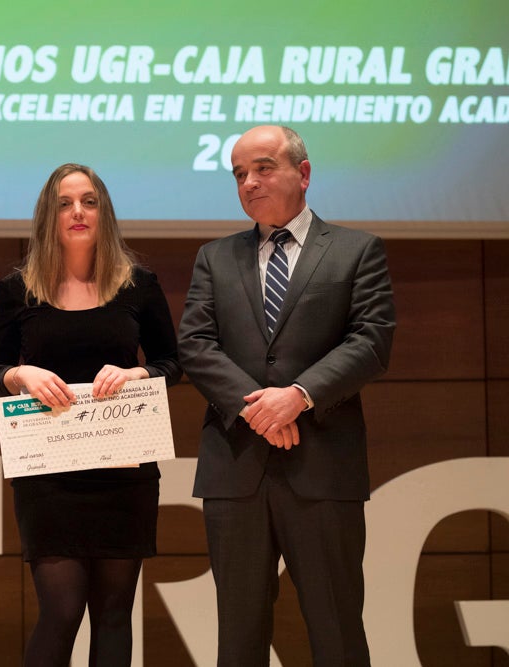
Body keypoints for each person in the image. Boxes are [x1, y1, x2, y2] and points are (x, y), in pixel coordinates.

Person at [178, 125, 396, 666]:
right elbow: (196, 345)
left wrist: (297, 396)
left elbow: (371, 342)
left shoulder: (355, 250)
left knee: (337, 629)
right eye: (238, 174)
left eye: (263, 167)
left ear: (302, 173)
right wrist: (262, 407)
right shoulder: (215, 257)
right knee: (239, 636)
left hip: (322, 468)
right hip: (237, 468)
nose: (249, 182)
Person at [0, 163, 181, 666]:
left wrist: (140, 375)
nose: (77, 212)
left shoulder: (138, 283)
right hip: (49, 475)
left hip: (124, 472)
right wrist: (19, 377)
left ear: (104, 212)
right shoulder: (18, 289)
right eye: (65, 202)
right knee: (62, 609)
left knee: (115, 613)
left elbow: (172, 363)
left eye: (89, 201)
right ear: (48, 215)